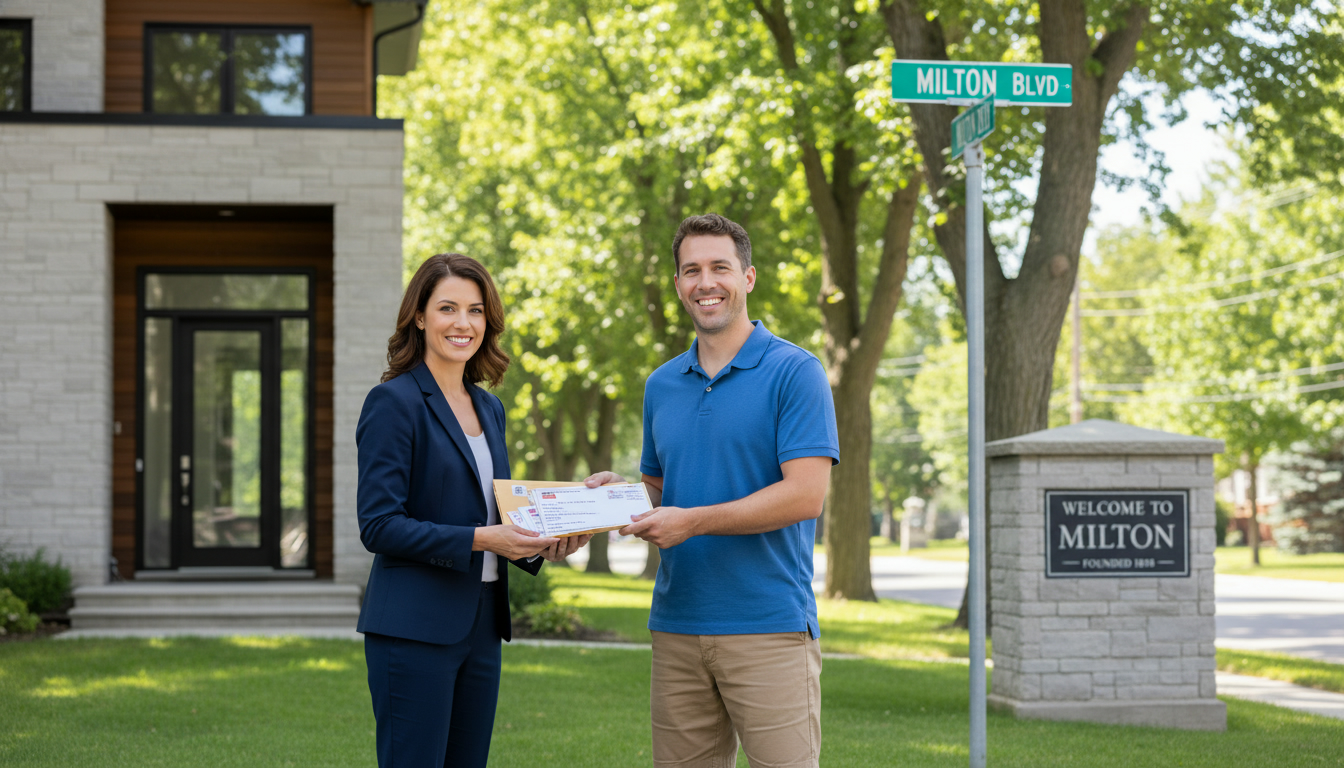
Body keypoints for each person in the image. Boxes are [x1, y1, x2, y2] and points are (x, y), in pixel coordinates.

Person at [586, 214, 838, 768]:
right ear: (678, 284)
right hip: (677, 625)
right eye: (691, 270)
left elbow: (804, 496)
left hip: (767, 625)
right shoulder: (661, 384)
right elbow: (660, 492)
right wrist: (617, 496)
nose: (706, 282)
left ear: (747, 277)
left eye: (720, 267)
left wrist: (693, 521)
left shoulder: (796, 372)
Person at [356, 253, 591, 768]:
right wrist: (484, 540)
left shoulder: (489, 407)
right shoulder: (392, 403)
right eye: (448, 308)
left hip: (482, 626)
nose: (463, 324)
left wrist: (551, 538)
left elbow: (500, 514)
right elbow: (378, 525)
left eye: (476, 311)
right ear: (419, 316)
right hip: (413, 628)